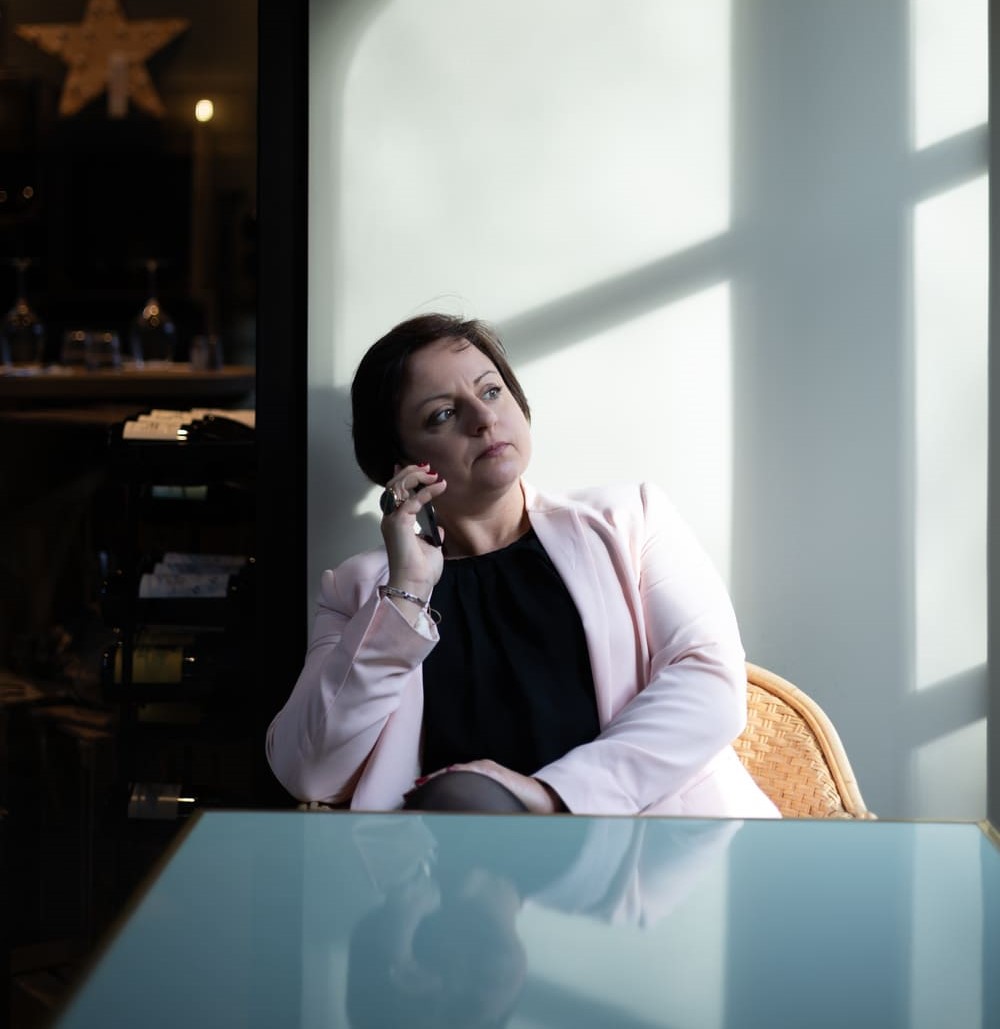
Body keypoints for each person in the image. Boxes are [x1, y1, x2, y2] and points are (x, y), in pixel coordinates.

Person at [266, 313, 779, 818]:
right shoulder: (358, 589)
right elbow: (308, 771)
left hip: (654, 849)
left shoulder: (631, 520)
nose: (483, 418)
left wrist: (551, 794)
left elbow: (709, 686)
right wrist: (407, 592)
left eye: (491, 391)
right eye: (442, 414)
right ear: (402, 466)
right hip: (455, 863)